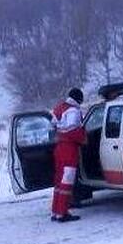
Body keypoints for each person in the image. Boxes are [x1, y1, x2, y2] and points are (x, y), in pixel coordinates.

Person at [50, 87, 87, 223]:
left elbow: (53, 125)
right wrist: (84, 139)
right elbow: (73, 130)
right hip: (69, 149)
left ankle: (55, 211)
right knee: (67, 181)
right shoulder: (74, 111)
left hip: (59, 148)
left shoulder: (59, 107)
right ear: (78, 99)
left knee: (59, 182)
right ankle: (63, 213)